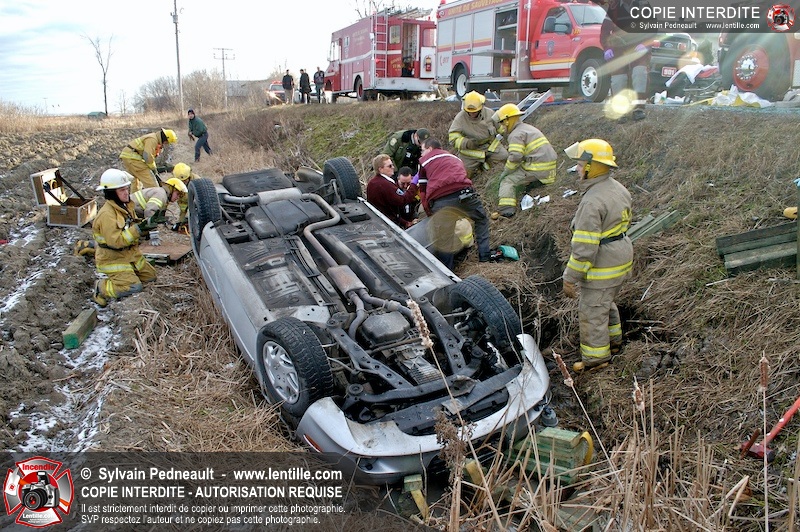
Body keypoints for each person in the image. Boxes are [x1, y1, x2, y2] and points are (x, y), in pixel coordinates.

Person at [561, 139, 633, 371]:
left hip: (604, 264)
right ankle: (614, 342)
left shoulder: (592, 201)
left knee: (592, 312)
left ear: (593, 167)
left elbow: (585, 249)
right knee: (605, 302)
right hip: (621, 256)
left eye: (581, 165)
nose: (577, 169)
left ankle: (597, 360)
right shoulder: (617, 188)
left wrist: (570, 277)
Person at [417, 138, 491, 268]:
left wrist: (430, 212)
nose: (421, 154)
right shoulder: (454, 157)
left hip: (441, 200)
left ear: (430, 149)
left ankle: (447, 271)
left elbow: (423, 191)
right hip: (465, 194)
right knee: (481, 219)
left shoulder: (424, 161)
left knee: (444, 238)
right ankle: (485, 256)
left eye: (422, 150)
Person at [91, 169, 159, 307]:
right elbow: (116, 241)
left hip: (130, 254)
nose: (126, 192)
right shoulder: (107, 215)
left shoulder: (125, 206)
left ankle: (128, 275)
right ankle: (101, 288)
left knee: (151, 277)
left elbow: (130, 226)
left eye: (127, 188)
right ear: (111, 193)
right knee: (134, 287)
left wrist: (146, 227)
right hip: (113, 258)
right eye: (122, 190)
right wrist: (138, 229)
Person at [491, 103, 557, 218]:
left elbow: (516, 157)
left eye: (501, 122)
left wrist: (506, 171)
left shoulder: (515, 135)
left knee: (507, 181)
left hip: (537, 169)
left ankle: (506, 209)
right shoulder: (527, 128)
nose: (501, 126)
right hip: (549, 169)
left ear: (507, 121)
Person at [601, 2, 654, 121]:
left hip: (638, 47)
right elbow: (605, 31)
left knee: (640, 73)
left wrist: (645, 44)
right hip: (619, 48)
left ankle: (638, 109)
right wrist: (607, 48)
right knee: (618, 79)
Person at [448, 91, 508, 178]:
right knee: (463, 175)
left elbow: (501, 129)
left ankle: (488, 168)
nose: (472, 114)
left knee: (504, 157)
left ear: (481, 107)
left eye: (475, 112)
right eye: (469, 112)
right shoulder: (460, 118)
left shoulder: (489, 113)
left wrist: (506, 135)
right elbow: (452, 137)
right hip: (470, 153)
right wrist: (466, 143)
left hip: (490, 147)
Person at [365, 155, 419, 229]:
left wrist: (405, 223)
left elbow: (388, 209)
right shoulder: (384, 185)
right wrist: (413, 185)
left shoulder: (373, 183)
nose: (393, 167)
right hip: (388, 226)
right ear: (381, 169)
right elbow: (402, 200)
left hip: (380, 223)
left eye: (392, 165)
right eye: (389, 166)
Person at [169, 162, 198, 230]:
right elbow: (183, 206)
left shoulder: (197, 181)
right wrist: (180, 222)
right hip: (184, 201)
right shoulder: (174, 181)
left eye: (185, 180)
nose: (183, 183)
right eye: (181, 181)